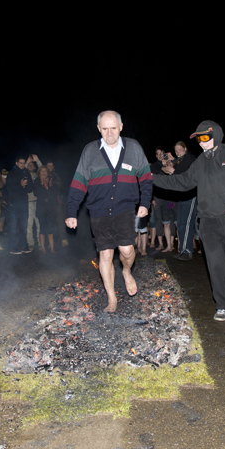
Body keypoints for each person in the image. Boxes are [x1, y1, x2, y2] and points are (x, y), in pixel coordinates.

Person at [152, 120, 225, 322]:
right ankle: (222, 304)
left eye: (205, 137)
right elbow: (181, 181)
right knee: (214, 264)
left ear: (216, 135)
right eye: (199, 139)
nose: (202, 142)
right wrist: (151, 178)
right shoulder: (200, 162)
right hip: (208, 220)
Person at [66, 110, 153, 313]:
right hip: (98, 211)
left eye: (113, 128)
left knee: (127, 250)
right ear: (99, 129)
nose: (110, 132)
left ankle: (126, 271)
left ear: (121, 127)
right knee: (105, 254)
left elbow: (146, 178)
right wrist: (71, 211)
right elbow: (78, 182)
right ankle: (112, 299)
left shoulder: (133, 147)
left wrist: (145, 203)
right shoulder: (90, 151)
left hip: (125, 208)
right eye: (105, 129)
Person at [162, 141, 197, 261]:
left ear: (185, 148)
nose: (177, 152)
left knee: (186, 224)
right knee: (181, 224)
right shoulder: (180, 160)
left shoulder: (189, 158)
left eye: (179, 149)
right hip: (182, 196)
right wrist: (171, 162)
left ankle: (187, 251)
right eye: (176, 150)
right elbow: (171, 169)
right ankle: (183, 250)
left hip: (191, 195)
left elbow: (179, 172)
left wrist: (171, 168)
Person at [6, 155, 34, 253]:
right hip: (14, 203)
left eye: (23, 163)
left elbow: (30, 188)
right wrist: (20, 185)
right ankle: (12, 247)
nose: (22, 165)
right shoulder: (11, 173)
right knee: (13, 227)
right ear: (16, 163)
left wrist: (25, 186)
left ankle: (23, 245)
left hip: (24, 203)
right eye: (20, 163)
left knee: (23, 226)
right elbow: (9, 188)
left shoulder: (26, 173)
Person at [34, 165, 59, 254]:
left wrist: (51, 185)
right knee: (42, 228)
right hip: (41, 209)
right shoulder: (37, 181)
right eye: (42, 171)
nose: (44, 173)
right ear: (39, 173)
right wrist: (41, 184)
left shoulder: (51, 181)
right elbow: (36, 193)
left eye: (45, 171)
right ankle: (43, 248)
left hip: (50, 209)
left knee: (50, 228)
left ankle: (52, 248)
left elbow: (55, 193)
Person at [26, 154, 42, 251]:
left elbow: (44, 171)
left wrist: (38, 161)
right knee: (29, 224)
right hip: (28, 202)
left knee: (39, 224)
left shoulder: (38, 175)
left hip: (38, 201)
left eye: (32, 164)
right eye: (29, 165)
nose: (30, 166)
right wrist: (26, 163)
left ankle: (40, 243)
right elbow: (20, 170)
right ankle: (30, 243)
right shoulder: (24, 175)